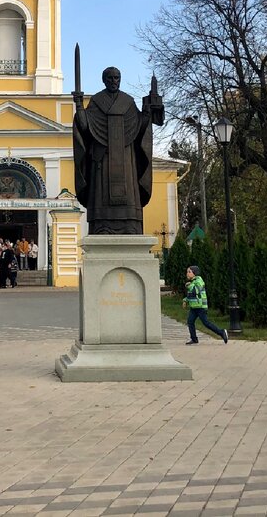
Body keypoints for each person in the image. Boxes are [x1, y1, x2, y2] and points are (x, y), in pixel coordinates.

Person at [72, 66, 164, 234]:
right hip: (102, 157)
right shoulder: (97, 101)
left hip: (125, 157)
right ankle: (102, 225)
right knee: (101, 191)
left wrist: (147, 112)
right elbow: (85, 126)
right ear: (104, 80)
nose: (114, 81)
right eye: (110, 78)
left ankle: (130, 224)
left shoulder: (127, 102)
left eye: (117, 78)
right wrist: (79, 105)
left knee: (129, 189)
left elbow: (139, 127)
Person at [183, 265, 227, 345]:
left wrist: (189, 286)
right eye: (187, 272)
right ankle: (194, 339)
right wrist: (185, 300)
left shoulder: (199, 281)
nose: (187, 274)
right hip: (194, 307)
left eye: (189, 272)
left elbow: (195, 291)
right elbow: (191, 295)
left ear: (194, 273)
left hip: (201, 307)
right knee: (190, 321)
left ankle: (222, 332)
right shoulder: (192, 282)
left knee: (206, 323)